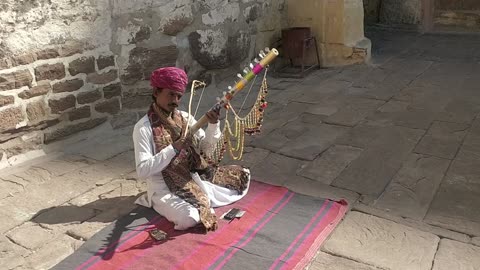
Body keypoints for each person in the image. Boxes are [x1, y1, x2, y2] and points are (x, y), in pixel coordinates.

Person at [133, 67, 251, 233]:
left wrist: (213, 125)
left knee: (242, 175)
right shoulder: (143, 128)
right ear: (156, 92)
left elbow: (207, 151)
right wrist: (173, 148)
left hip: (191, 178)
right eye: (170, 94)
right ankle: (167, 204)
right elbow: (143, 171)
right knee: (190, 218)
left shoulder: (185, 118)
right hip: (163, 188)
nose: (175, 100)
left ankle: (199, 198)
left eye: (179, 96)